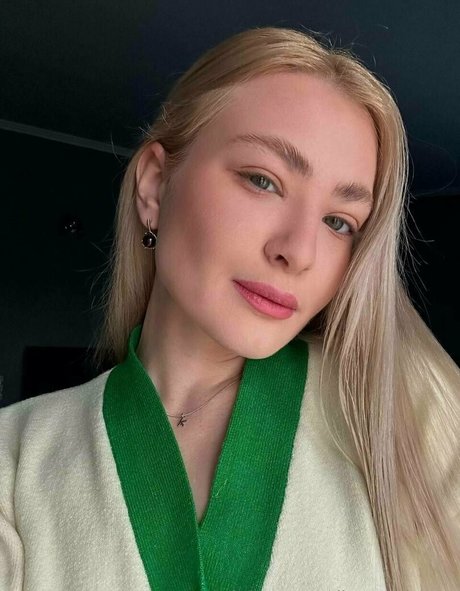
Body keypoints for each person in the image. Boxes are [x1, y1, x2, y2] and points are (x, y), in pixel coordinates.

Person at [0, 26, 459, 591]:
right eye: (263, 181)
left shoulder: (396, 406)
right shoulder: (15, 457)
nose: (299, 252)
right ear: (154, 186)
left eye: (339, 222)